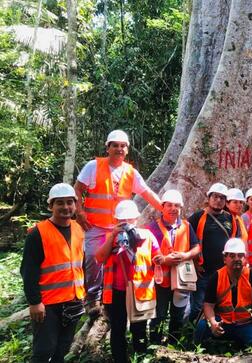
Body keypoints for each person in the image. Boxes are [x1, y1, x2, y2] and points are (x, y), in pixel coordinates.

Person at [73, 130, 162, 315]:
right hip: (95, 225)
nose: (119, 149)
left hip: (122, 227)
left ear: (127, 150)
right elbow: (78, 188)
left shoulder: (131, 172)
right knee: (92, 259)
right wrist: (79, 211)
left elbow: (147, 193)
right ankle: (92, 299)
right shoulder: (93, 166)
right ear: (108, 147)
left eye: (123, 146)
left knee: (124, 262)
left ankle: (120, 299)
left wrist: (165, 209)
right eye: (115, 145)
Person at [21, 183, 85, 363]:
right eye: (60, 203)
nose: (65, 207)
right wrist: (35, 302)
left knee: (62, 350)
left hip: (73, 300)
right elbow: (28, 271)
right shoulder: (38, 233)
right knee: (43, 351)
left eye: (69, 202)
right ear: (51, 206)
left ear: (75, 204)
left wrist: (84, 293)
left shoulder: (78, 230)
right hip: (48, 304)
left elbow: (81, 264)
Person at [96, 200, 162, 363]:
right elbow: (99, 258)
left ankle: (140, 357)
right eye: (122, 220)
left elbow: (157, 257)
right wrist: (113, 237)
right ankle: (120, 359)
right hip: (117, 292)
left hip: (140, 292)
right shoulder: (110, 237)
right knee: (118, 330)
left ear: (137, 219)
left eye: (130, 219)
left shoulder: (146, 235)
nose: (126, 223)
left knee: (139, 329)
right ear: (116, 220)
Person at [147, 190, 201, 345]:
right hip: (161, 282)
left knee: (180, 315)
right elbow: (144, 254)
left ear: (180, 208)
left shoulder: (186, 226)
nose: (173, 209)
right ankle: (155, 347)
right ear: (162, 207)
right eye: (169, 205)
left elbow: (196, 247)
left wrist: (185, 256)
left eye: (176, 206)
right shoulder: (152, 228)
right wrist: (164, 260)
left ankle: (173, 347)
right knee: (159, 315)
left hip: (181, 280)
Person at [195, 238, 252, 347]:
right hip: (222, 323)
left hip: (245, 324)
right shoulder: (216, 277)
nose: (237, 259)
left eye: (240, 255)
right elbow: (208, 305)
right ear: (225, 258)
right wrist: (213, 323)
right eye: (232, 256)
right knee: (201, 328)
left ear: (245, 258)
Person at [188, 183, 240, 321]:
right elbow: (187, 241)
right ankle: (192, 334)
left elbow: (236, 243)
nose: (218, 200)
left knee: (220, 304)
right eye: (215, 197)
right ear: (209, 198)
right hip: (203, 271)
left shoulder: (231, 219)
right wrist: (194, 263)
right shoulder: (197, 218)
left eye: (222, 198)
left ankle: (214, 334)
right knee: (198, 306)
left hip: (223, 272)